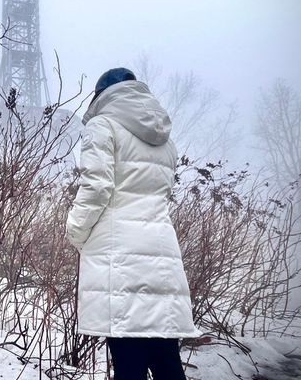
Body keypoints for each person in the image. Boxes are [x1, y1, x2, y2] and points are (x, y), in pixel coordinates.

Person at [65, 67, 198, 380]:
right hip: (162, 252)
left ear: (101, 96)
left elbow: (97, 188)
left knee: (128, 360)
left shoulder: (102, 125)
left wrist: (76, 232)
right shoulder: (166, 140)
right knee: (165, 359)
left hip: (119, 255)